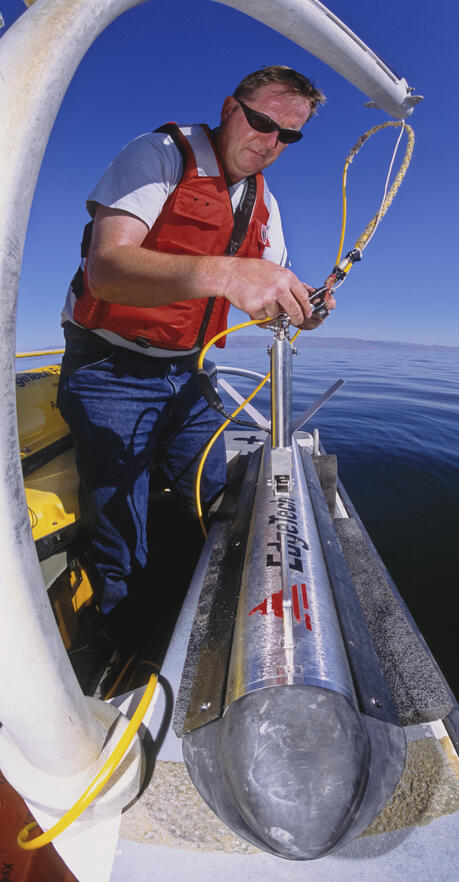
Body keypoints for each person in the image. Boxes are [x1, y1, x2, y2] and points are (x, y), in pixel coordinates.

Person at [57, 66, 333, 669]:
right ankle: (118, 638)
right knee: (118, 519)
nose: (270, 142)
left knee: (221, 492)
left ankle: (226, 621)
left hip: (186, 374)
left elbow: (258, 299)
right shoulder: (158, 154)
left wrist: (296, 307)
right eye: (262, 121)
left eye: (290, 136)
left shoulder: (265, 202)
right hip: (108, 366)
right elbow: (107, 268)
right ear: (231, 107)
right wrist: (226, 272)